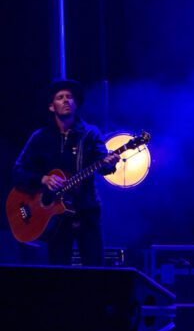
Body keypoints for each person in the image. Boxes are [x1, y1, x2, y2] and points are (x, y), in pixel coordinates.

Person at [11, 79, 118, 266]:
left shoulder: (90, 134)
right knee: (59, 271)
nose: (66, 100)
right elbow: (18, 171)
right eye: (60, 98)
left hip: (86, 210)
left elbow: (104, 166)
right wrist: (42, 179)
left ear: (76, 104)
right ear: (52, 107)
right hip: (55, 217)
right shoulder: (41, 137)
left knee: (95, 268)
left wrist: (109, 163)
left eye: (70, 97)